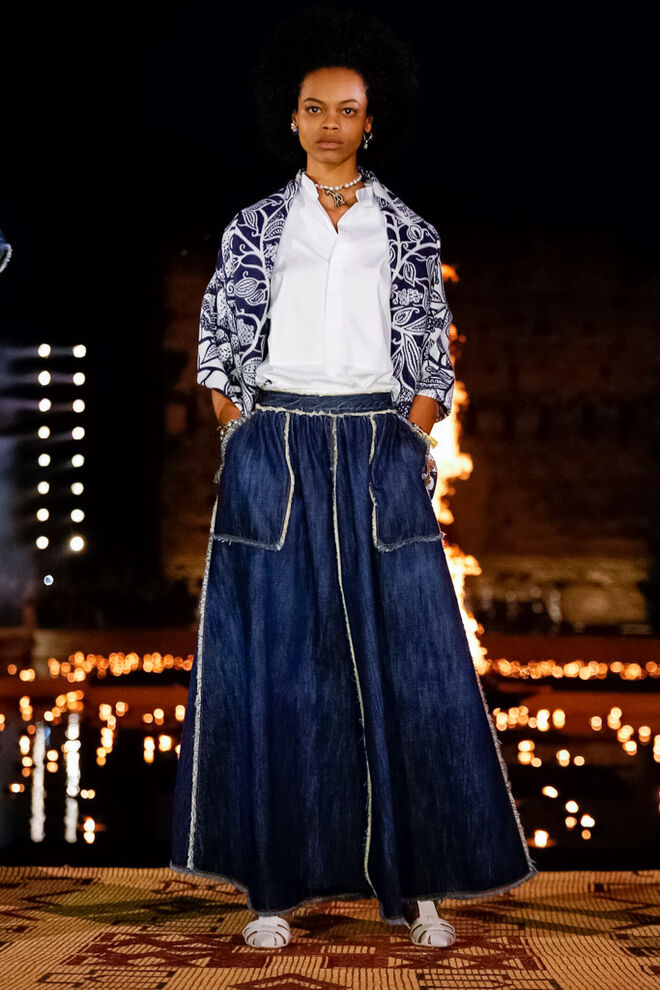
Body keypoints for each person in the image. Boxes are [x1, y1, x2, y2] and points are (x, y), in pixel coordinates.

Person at [170, 7, 538, 951]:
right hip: (278, 445)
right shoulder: (255, 228)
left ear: (371, 121)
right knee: (279, 666)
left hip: (378, 444)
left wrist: (412, 436)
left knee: (410, 663)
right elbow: (218, 344)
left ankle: (420, 891)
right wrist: (240, 432)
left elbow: (430, 357)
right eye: (313, 108)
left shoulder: (407, 232)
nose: (329, 124)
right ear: (290, 118)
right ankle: (270, 893)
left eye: (347, 109)